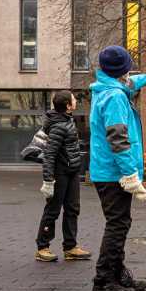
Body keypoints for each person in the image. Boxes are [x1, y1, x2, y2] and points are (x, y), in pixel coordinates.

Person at [88, 45, 146, 291]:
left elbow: (129, 85)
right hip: (114, 174)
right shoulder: (115, 97)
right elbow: (118, 138)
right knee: (117, 225)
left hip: (107, 171)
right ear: (122, 70)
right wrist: (130, 175)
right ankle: (104, 281)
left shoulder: (107, 88)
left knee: (120, 223)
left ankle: (117, 275)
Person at [36, 91, 91, 262]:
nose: (76, 100)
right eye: (73, 99)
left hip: (71, 171)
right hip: (59, 174)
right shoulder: (58, 125)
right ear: (68, 105)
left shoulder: (67, 120)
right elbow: (49, 154)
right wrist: (48, 180)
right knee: (52, 210)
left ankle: (70, 247)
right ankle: (42, 247)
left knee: (72, 209)